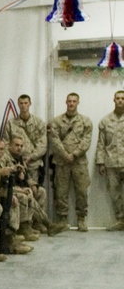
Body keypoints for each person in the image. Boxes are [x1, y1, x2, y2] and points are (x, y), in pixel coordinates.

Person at [48, 92, 92, 231]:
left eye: (74, 101)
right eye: (69, 101)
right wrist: (65, 154)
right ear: (66, 102)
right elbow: (54, 140)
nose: (71, 103)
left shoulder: (85, 121)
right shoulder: (56, 121)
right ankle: (62, 219)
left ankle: (81, 218)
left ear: (78, 102)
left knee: (82, 191)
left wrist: (74, 154)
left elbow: (87, 141)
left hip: (79, 162)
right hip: (62, 162)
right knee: (61, 191)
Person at [2, 94, 47, 184]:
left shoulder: (39, 123)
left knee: (36, 190)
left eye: (26, 103)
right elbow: (5, 143)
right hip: (16, 164)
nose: (23, 105)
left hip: (33, 164)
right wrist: (12, 159)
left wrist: (31, 157)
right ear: (18, 104)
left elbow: (42, 145)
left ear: (30, 104)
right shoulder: (11, 124)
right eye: (21, 103)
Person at [96, 89, 124, 230]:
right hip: (111, 162)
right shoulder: (106, 121)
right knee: (115, 192)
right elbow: (101, 143)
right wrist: (100, 162)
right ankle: (120, 220)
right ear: (114, 100)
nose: (120, 100)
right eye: (118, 98)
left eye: (122, 98)